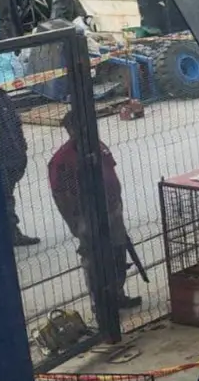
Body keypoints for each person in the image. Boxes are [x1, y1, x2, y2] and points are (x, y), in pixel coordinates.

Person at [49, 110, 140, 315]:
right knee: (94, 259)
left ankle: (117, 295)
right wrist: (77, 221)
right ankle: (100, 303)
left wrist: (116, 203)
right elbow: (61, 194)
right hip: (88, 215)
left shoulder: (99, 146)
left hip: (111, 209)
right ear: (70, 130)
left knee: (117, 252)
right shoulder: (62, 159)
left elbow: (111, 172)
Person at [0, 66, 37, 245]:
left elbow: (16, 124)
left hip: (13, 157)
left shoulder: (2, 98)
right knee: (4, 198)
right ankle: (11, 234)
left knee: (7, 196)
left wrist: (22, 147)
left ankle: (7, 232)